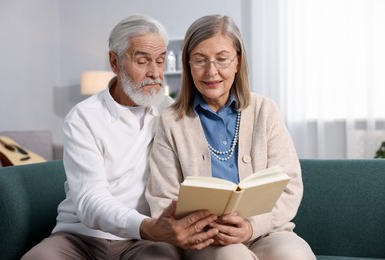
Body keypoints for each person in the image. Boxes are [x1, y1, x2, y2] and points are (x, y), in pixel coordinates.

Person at [22, 14, 219, 260]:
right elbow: (90, 199)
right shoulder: (83, 118)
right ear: (114, 62)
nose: (155, 73)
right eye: (143, 61)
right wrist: (147, 226)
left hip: (145, 240)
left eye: (160, 61)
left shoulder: (171, 114)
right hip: (81, 237)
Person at [146, 14, 316, 260]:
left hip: (267, 231)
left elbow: (289, 186)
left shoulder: (265, 110)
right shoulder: (171, 121)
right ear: (188, 65)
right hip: (204, 239)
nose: (211, 72)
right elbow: (163, 198)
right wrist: (204, 228)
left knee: (296, 256)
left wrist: (251, 227)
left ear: (238, 62)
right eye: (200, 60)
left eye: (222, 59)